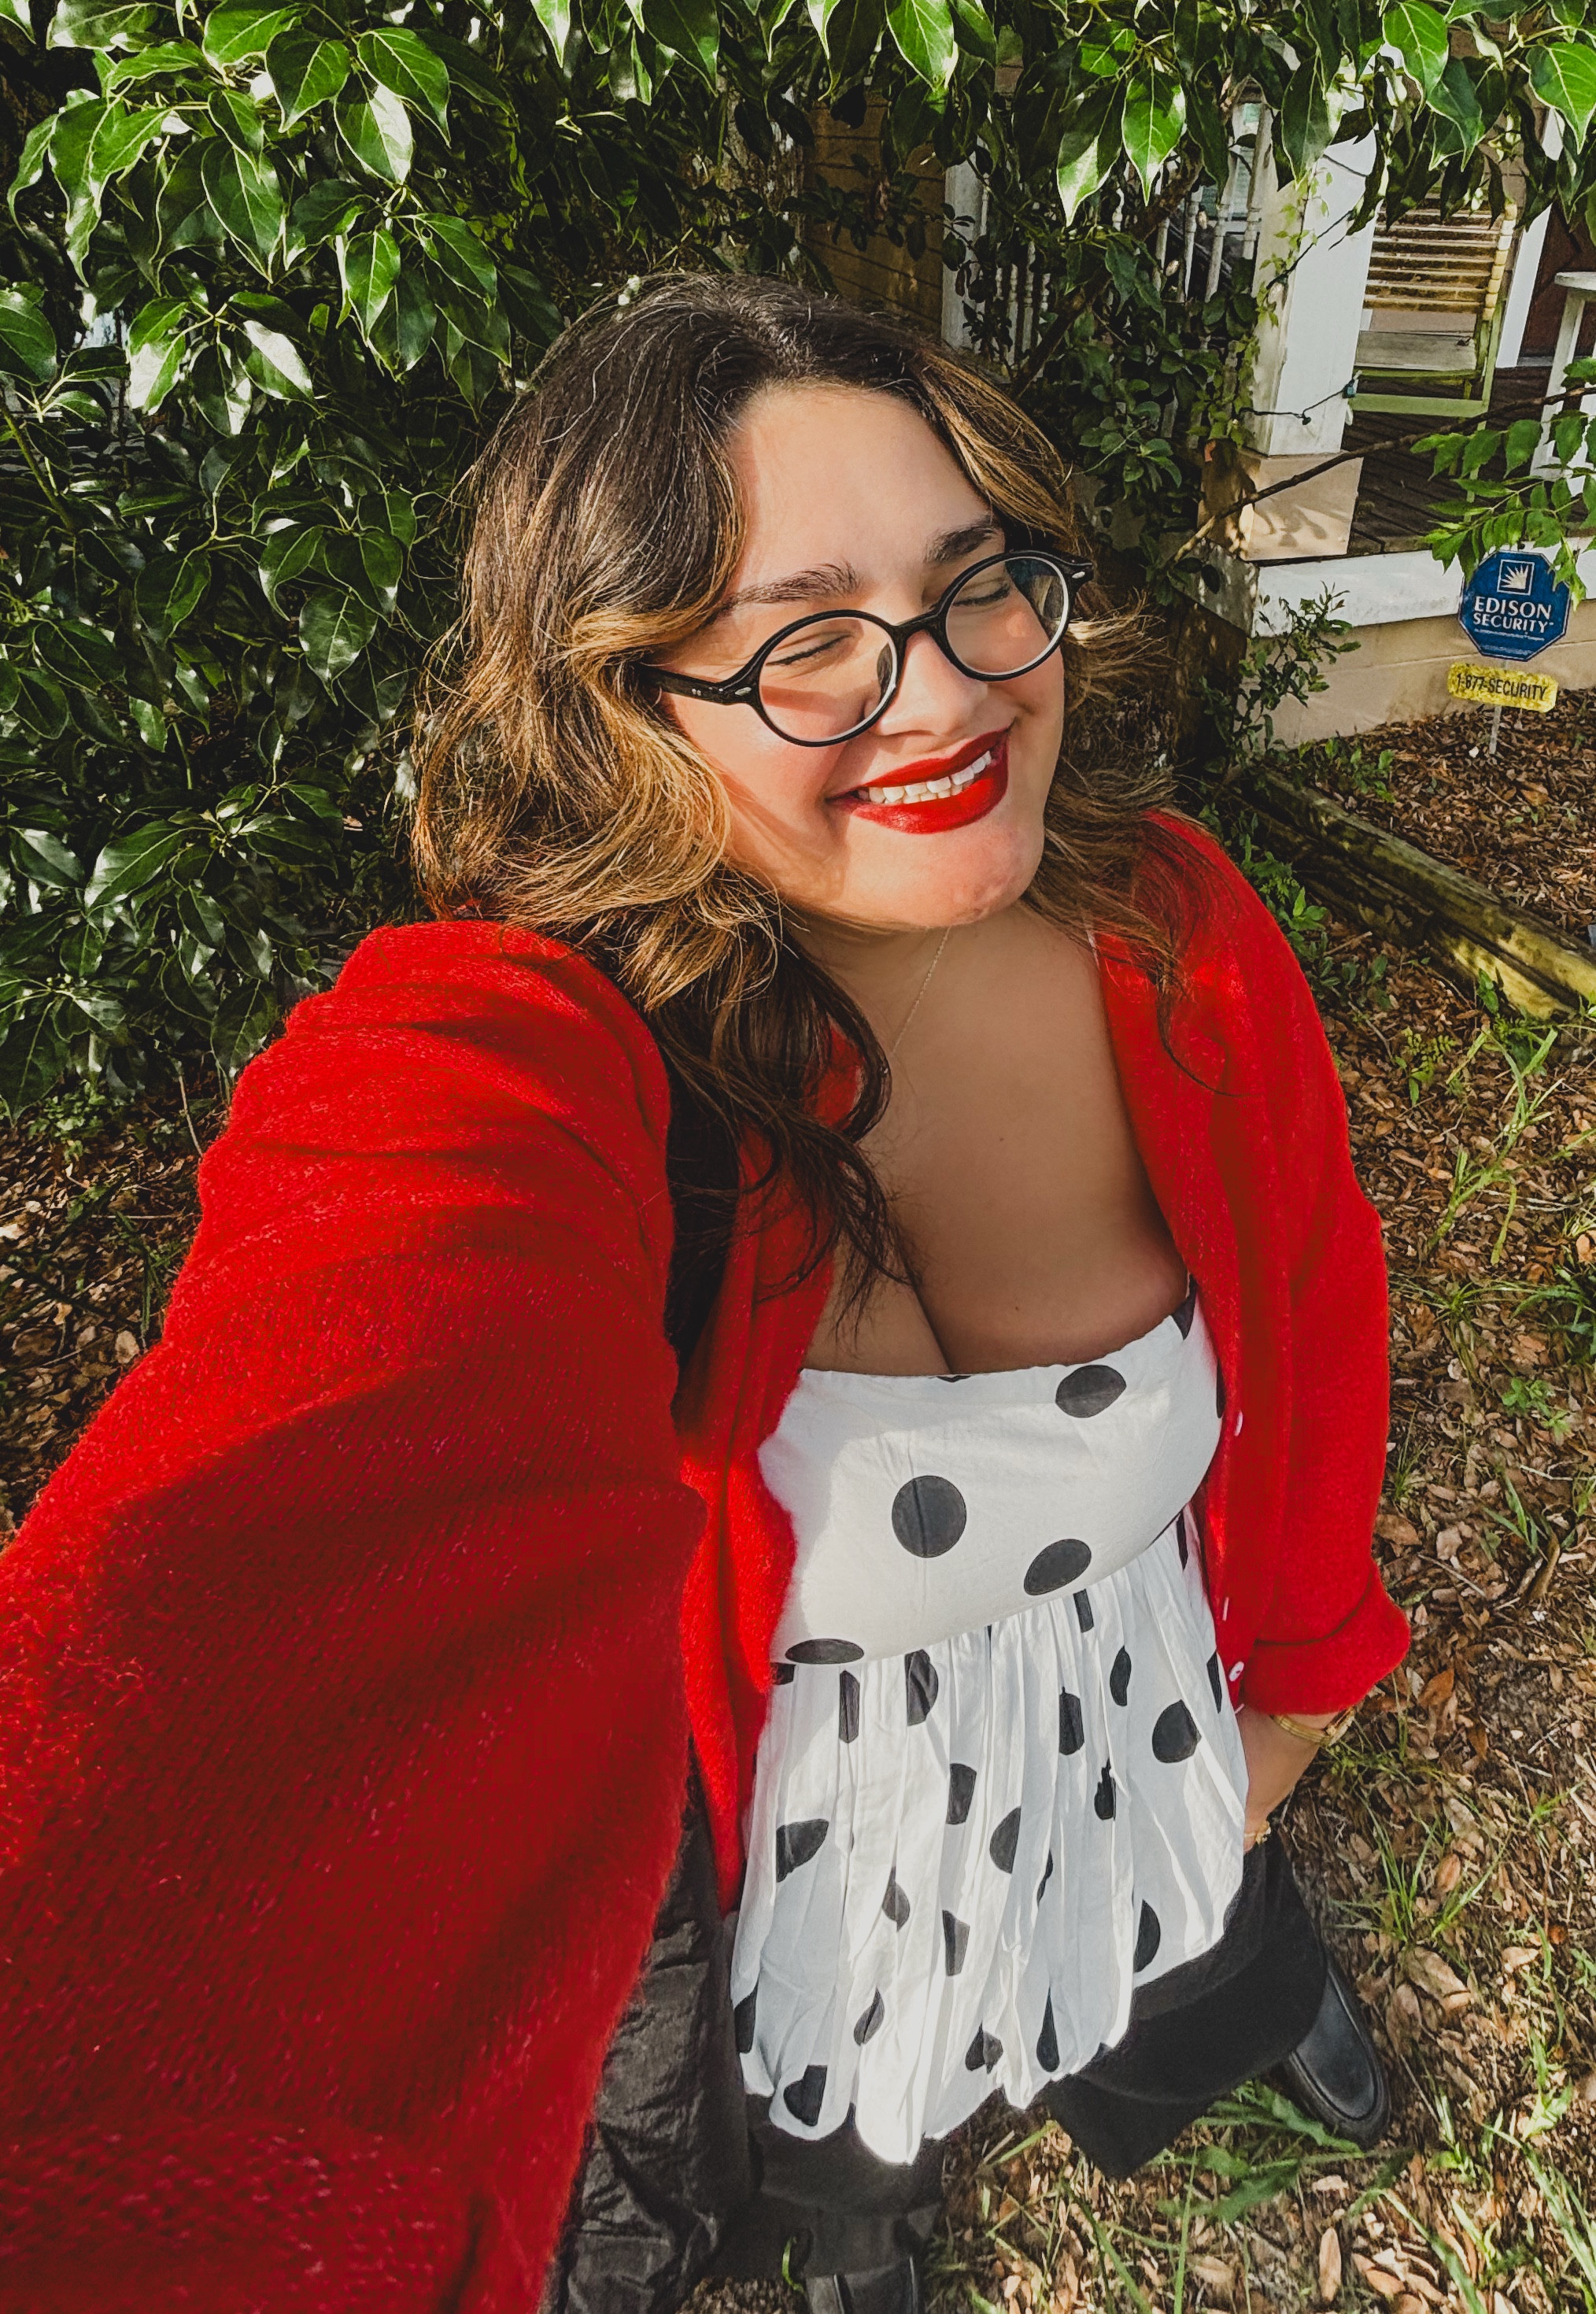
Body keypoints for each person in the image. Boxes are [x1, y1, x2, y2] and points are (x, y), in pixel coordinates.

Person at [0, 279, 1406, 2314]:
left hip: (1137, 1692)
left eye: (973, 585)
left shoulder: (1173, 927)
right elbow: (281, 1512)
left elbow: (1318, 1286)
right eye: (800, 640)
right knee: (851, 2126)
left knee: (1186, 1920)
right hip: (813, 1825)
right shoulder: (551, 1067)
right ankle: (865, 2240)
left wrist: (1288, 1686)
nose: (936, 699)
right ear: (620, 695)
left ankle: (1260, 1997)